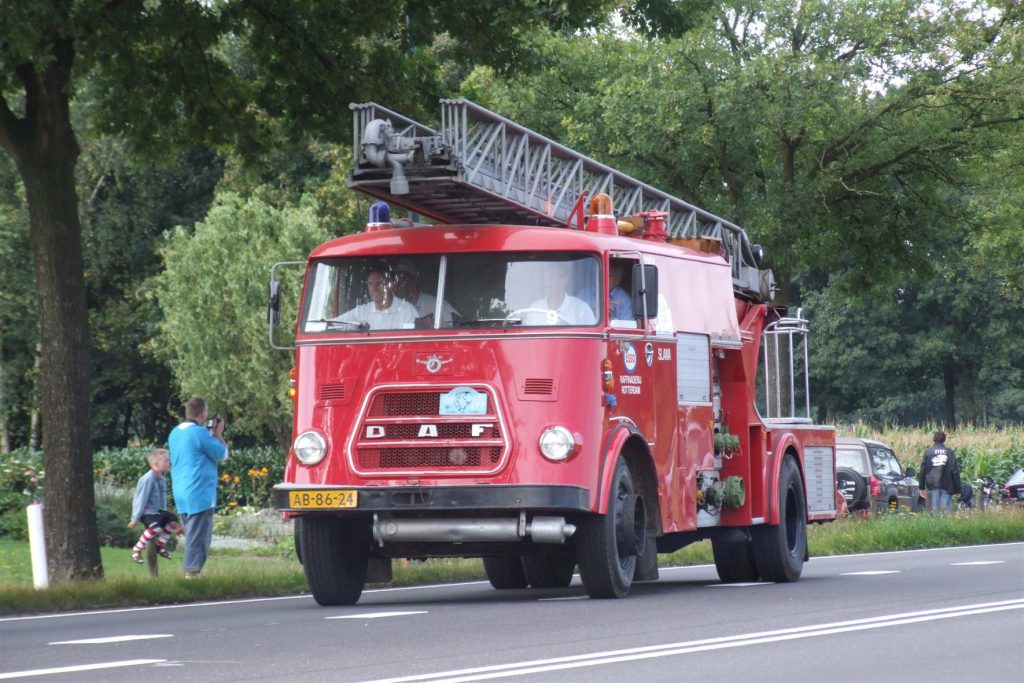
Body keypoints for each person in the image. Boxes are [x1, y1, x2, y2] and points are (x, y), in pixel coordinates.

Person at [169, 396, 228, 578]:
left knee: (192, 535)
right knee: (198, 539)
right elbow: (222, 454)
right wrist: (218, 434)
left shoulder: (175, 433)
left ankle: (192, 574)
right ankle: (191, 576)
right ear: (202, 413)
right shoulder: (200, 433)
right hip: (199, 493)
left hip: (181, 491)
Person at [128, 448, 181, 564]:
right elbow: (140, 499)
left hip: (158, 511)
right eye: (166, 461)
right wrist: (135, 519)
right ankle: (136, 550)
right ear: (156, 463)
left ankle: (159, 547)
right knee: (155, 528)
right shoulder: (148, 479)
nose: (169, 463)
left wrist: (165, 513)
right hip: (148, 513)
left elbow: (163, 499)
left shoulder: (162, 479)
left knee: (173, 521)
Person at [336, 263, 418, 330]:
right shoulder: (361, 312)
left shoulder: (408, 311)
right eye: (371, 284)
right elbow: (333, 324)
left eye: (379, 284)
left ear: (390, 285)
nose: (374, 289)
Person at [523, 262, 596, 326]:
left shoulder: (581, 309)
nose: (547, 283)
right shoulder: (534, 309)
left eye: (551, 278)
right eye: (544, 278)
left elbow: (593, 339)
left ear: (564, 280)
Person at [393, 263, 459, 327]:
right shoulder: (395, 308)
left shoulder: (436, 304)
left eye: (403, 278)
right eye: (395, 279)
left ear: (415, 279)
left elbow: (460, 326)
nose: (399, 283)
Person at [917, 430, 961, 514]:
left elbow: (923, 470)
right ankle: (946, 525)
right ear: (944, 439)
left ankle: (936, 525)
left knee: (934, 509)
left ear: (934, 439)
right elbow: (955, 471)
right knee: (946, 510)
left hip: (932, 484)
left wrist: (921, 487)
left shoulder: (928, 452)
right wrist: (958, 489)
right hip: (947, 485)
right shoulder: (949, 452)